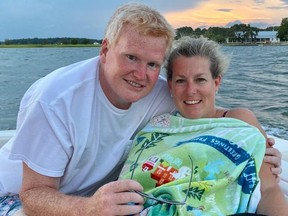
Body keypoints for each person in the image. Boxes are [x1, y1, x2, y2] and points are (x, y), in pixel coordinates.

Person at [0, 3, 281, 216]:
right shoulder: (55, 100)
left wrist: (257, 141)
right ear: (105, 50)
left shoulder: (156, 91)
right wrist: (90, 208)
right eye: (131, 57)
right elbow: (33, 193)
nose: (140, 74)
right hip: (20, 197)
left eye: (152, 64)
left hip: (101, 198)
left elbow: (200, 105)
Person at [119, 36, 288, 215]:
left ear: (216, 83)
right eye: (181, 81)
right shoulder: (158, 126)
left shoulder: (239, 120)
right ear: (170, 85)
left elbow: (268, 189)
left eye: (200, 79)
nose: (191, 90)